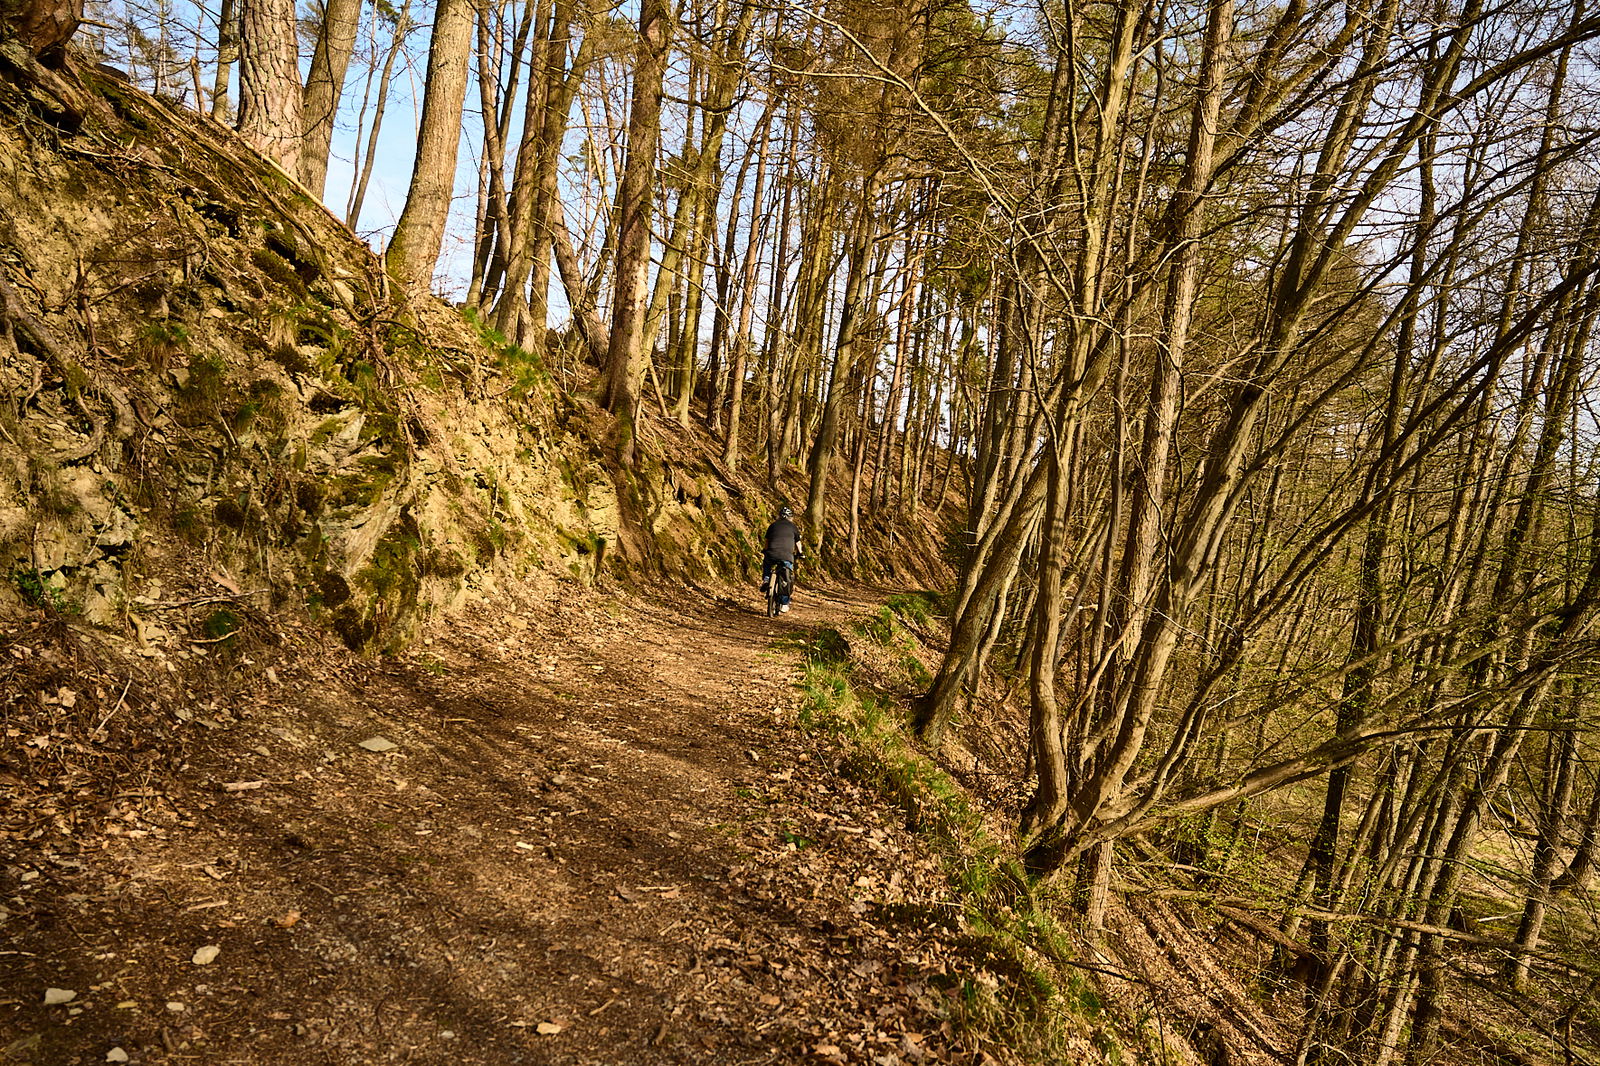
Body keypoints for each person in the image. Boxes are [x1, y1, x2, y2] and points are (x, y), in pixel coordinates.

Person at [761, 505, 804, 613]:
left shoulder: (773, 525)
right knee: (786, 578)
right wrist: (801, 553)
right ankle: (784, 604)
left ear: (779, 516)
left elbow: (767, 541)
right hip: (786, 556)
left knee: (767, 562)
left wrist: (765, 550)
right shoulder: (793, 527)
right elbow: (798, 543)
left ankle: (766, 578)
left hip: (772, 553)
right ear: (791, 517)